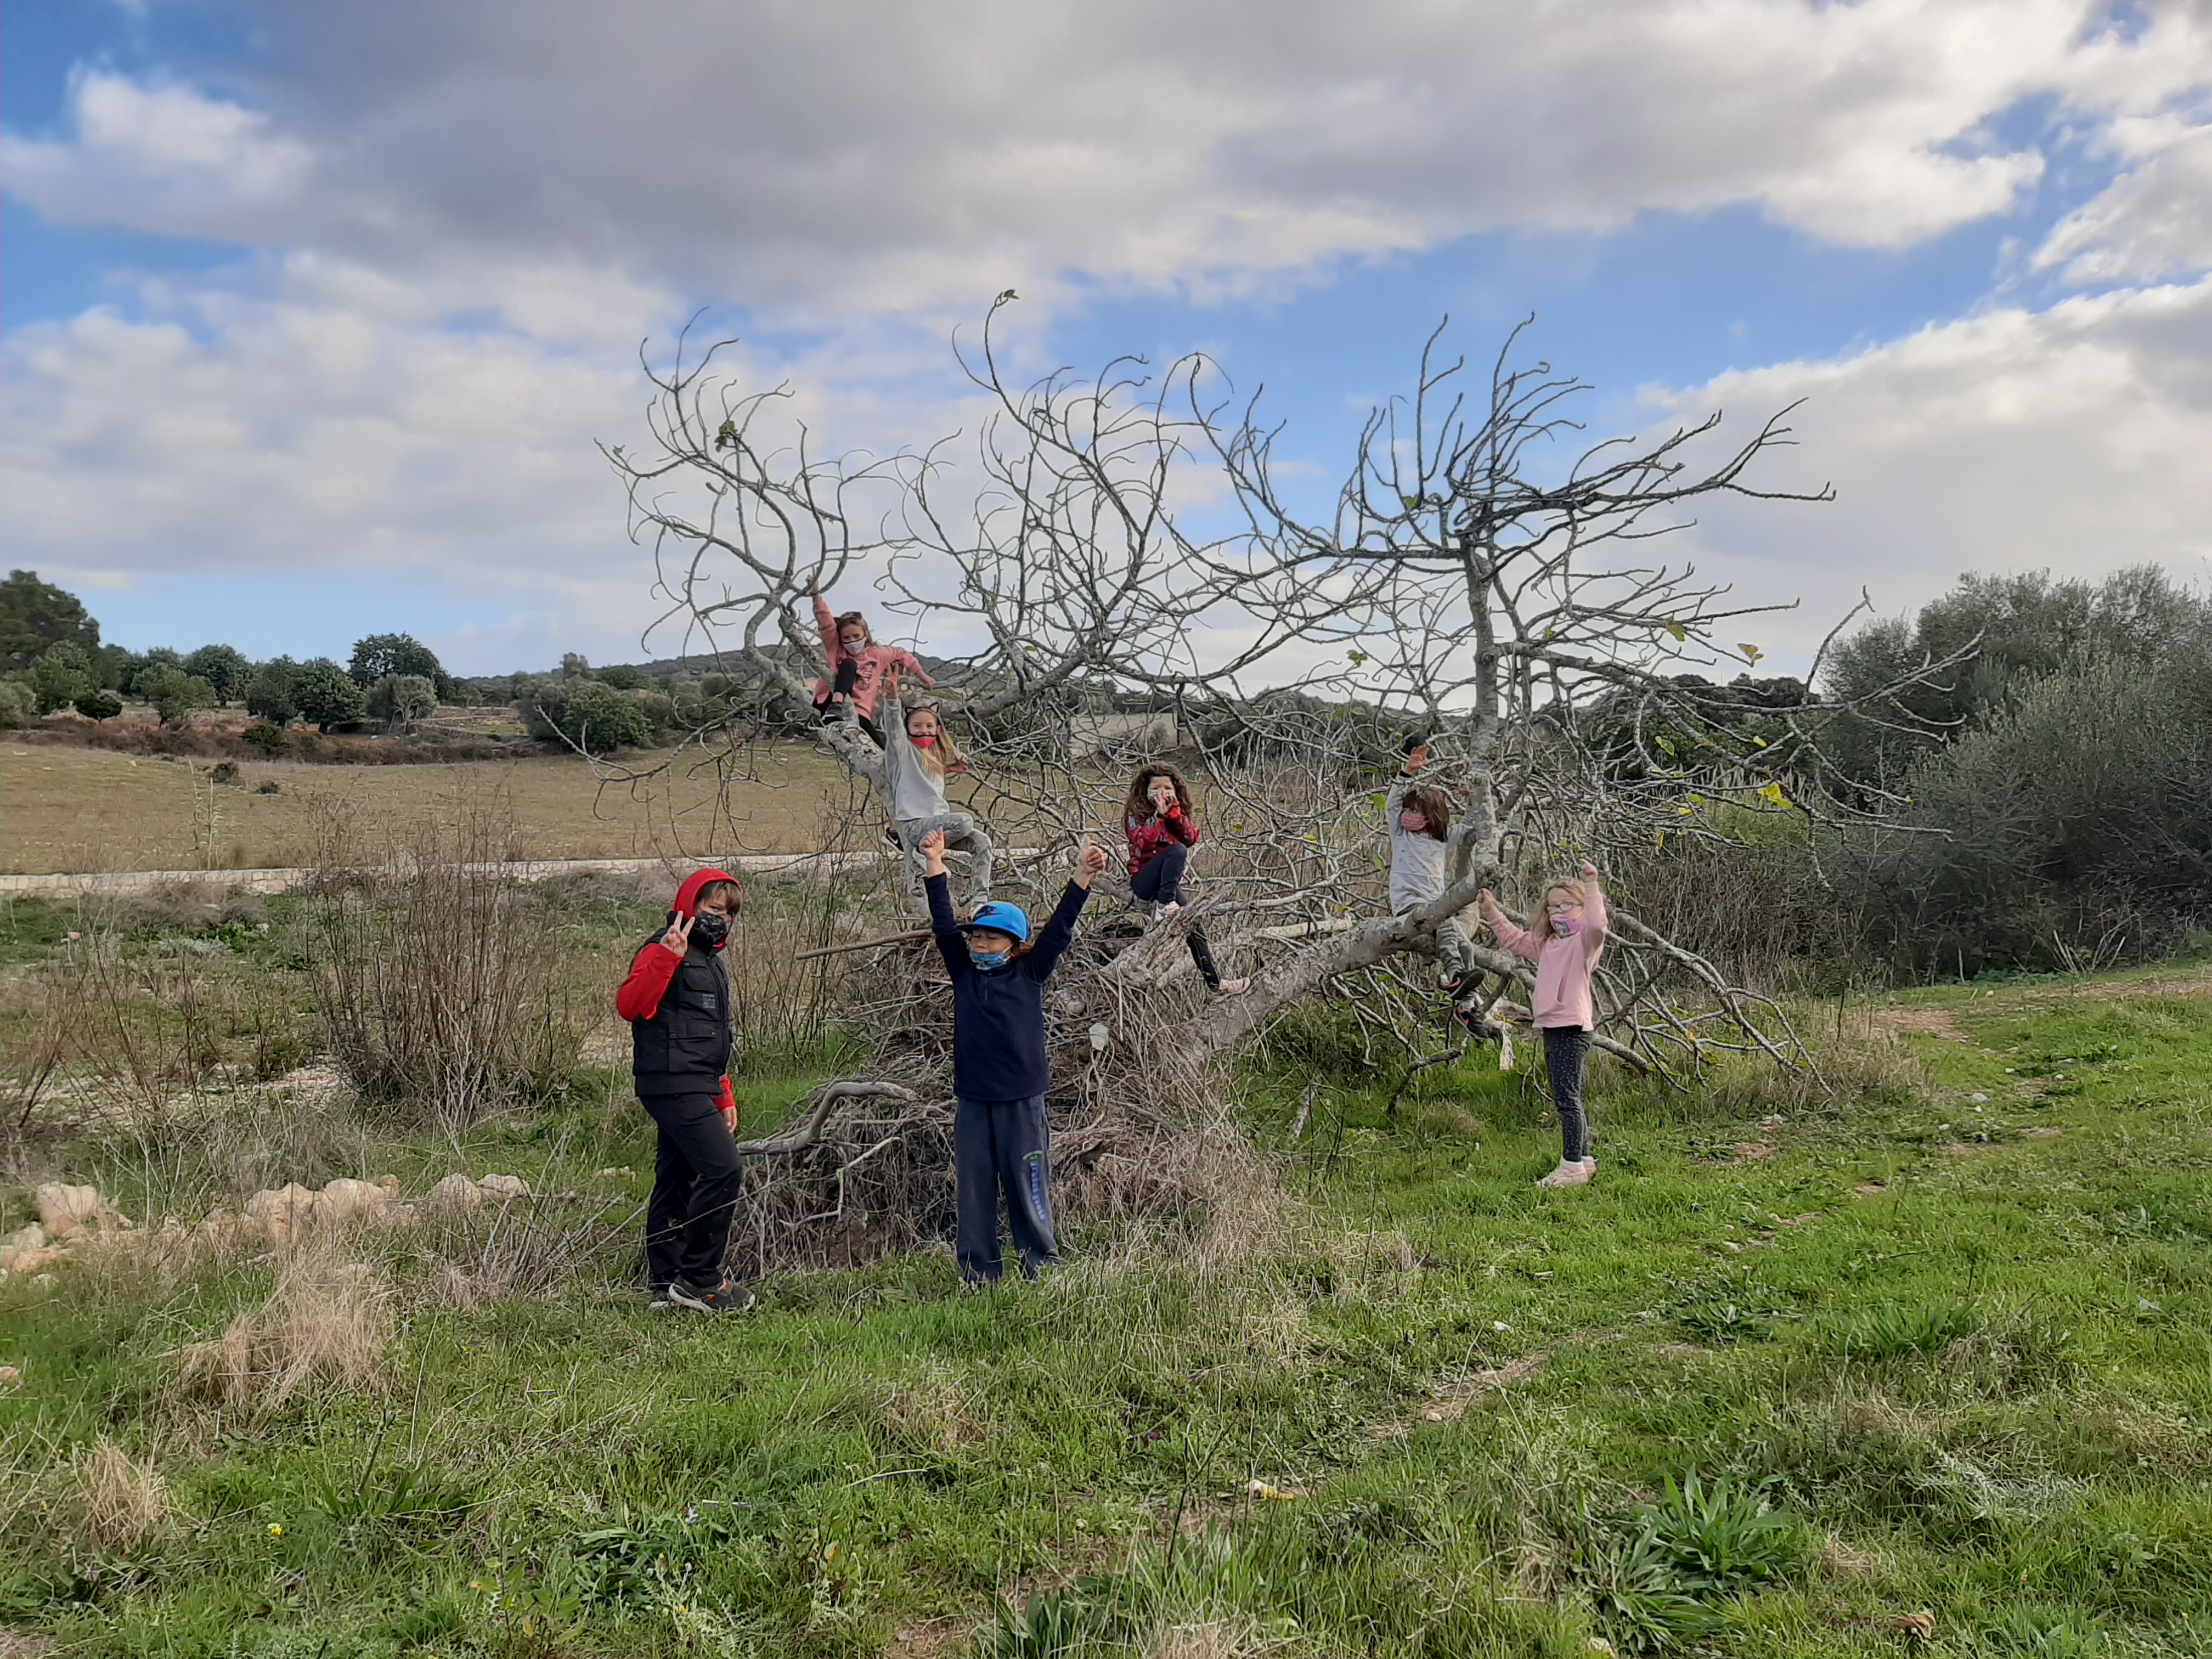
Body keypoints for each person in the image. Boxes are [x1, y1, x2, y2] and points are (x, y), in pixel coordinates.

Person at [921, 826, 1110, 1283]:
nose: (981, 945)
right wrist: (935, 864)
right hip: (973, 1100)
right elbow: (945, 924)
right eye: (978, 938)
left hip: (1022, 1101)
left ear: (1015, 944)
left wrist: (1083, 875)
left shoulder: (1031, 972)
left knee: (1029, 1184)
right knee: (974, 1189)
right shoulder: (965, 975)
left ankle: (1040, 1266)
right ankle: (980, 1273)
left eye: (992, 938)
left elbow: (1061, 927)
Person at [614, 868, 755, 1312]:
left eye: (729, 913)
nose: (722, 920)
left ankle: (666, 1284)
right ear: (689, 906)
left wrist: (724, 1093)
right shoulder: (664, 947)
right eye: (713, 909)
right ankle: (701, 1279)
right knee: (723, 1169)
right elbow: (631, 1006)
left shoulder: (713, 963)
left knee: (676, 1179)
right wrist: (665, 959)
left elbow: (715, 1037)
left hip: (697, 1082)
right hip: (669, 1082)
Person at [1480, 861, 1608, 1189]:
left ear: (1581, 906)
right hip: (1553, 1026)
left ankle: (1571, 1167)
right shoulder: (1548, 943)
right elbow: (1514, 939)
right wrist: (1492, 910)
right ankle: (1586, 1159)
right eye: (1553, 906)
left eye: (1568, 904)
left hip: (1572, 1028)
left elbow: (1597, 927)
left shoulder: (1584, 945)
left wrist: (1591, 884)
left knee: (1566, 1099)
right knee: (1571, 1095)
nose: (1559, 911)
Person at [1122, 763, 1248, 996]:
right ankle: (1165, 904)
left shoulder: (1176, 810)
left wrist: (1173, 814)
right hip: (1144, 880)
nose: (1162, 793)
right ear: (1146, 789)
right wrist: (1157, 817)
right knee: (1177, 851)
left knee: (1194, 922)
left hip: (1167, 885)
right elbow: (1142, 842)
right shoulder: (1136, 812)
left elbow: (1191, 838)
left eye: (1167, 788)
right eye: (1156, 788)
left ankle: (1215, 983)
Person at [881, 675, 994, 911]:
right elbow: (893, 730)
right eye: (917, 726)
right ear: (908, 730)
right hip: (915, 825)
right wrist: (892, 699)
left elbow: (923, 777)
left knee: (983, 841)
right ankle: (926, 854)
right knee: (964, 820)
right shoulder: (902, 751)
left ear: (938, 729)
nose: (924, 730)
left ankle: (979, 901)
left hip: (936, 826)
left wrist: (950, 768)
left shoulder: (933, 757)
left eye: (929, 726)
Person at [1389, 744, 1480, 993]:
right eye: (1408, 809)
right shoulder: (1400, 833)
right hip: (1409, 904)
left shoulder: (1442, 838)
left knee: (1467, 946)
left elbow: (1471, 828)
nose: (1408, 814)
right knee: (1449, 931)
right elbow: (1393, 804)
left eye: (1415, 811)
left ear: (1432, 816)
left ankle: (1467, 1003)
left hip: (1433, 903)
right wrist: (1407, 772)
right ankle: (1455, 975)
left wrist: (1474, 798)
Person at [811, 582, 932, 746]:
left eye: (856, 636)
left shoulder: (877, 654)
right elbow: (826, 624)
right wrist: (816, 597)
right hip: (828, 704)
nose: (852, 641)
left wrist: (923, 675)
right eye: (846, 638)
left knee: (880, 748)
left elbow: (903, 654)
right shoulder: (837, 650)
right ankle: (836, 704)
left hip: (860, 713)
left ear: (865, 634)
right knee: (849, 664)